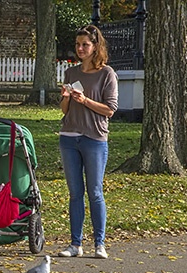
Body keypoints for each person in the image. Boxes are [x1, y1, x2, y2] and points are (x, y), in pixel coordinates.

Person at [58, 25, 118, 260]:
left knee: (95, 191)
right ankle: (75, 244)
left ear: (95, 47)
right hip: (69, 137)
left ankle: (99, 244)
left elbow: (110, 110)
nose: (80, 49)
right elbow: (64, 110)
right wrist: (66, 98)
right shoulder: (71, 73)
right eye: (77, 45)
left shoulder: (107, 74)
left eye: (85, 44)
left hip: (94, 139)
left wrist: (85, 100)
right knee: (75, 193)